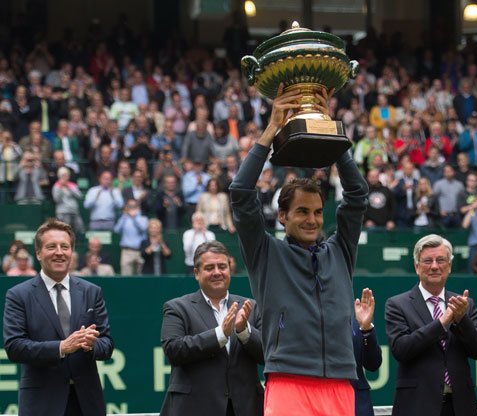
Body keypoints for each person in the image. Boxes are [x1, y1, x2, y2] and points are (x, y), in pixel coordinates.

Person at [229, 85, 368, 415]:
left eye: (318, 212)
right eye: (302, 212)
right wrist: (271, 130)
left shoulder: (340, 251)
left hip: (340, 381)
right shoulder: (266, 253)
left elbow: (357, 196)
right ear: (282, 216)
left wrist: (331, 135)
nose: (312, 220)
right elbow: (240, 192)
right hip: (287, 381)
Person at [3, 219, 114, 416]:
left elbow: (107, 344)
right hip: (41, 404)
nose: (59, 252)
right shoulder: (18, 295)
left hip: (87, 403)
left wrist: (91, 345)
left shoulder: (92, 292)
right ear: (38, 253)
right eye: (51, 246)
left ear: (72, 252)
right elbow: (15, 348)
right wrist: (61, 348)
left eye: (65, 246)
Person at [385, 234, 477, 416]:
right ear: (417, 267)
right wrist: (442, 322)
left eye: (440, 260)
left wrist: (461, 319)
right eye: (427, 261)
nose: (434, 266)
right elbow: (401, 349)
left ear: (449, 266)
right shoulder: (397, 304)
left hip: (460, 405)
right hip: (417, 405)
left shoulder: (465, 304)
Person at [160, 241, 263, 416]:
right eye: (209, 268)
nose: (217, 272)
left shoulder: (250, 307)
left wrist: (244, 332)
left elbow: (268, 354)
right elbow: (173, 349)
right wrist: (219, 335)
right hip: (196, 408)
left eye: (222, 266)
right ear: (196, 273)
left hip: (245, 408)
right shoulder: (177, 308)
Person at [352, 287, 382, 416]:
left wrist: (366, 329)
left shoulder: (357, 312)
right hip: (313, 398)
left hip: (356, 404)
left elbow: (373, 364)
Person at [114, 198, 148, 275]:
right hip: (127, 252)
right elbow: (116, 230)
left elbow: (143, 228)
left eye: (134, 206)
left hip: (140, 252)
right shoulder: (124, 218)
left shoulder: (143, 218)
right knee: (126, 280)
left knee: (141, 279)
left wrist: (134, 218)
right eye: (129, 206)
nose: (131, 208)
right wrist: (124, 216)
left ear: (138, 207)